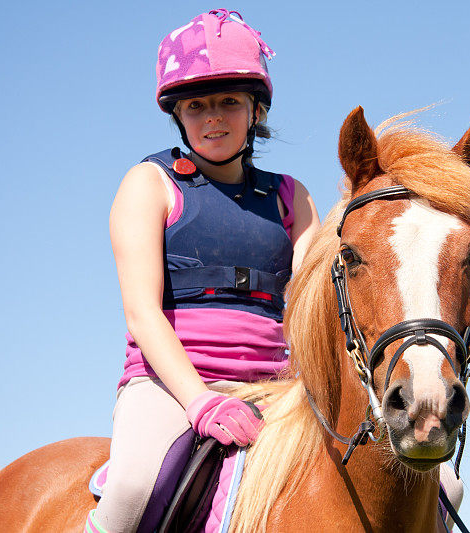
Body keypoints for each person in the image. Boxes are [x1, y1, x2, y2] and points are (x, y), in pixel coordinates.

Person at [85, 9, 320, 533]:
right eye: (196, 106)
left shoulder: (291, 196)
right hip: (169, 387)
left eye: (229, 102)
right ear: (178, 116)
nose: (212, 118)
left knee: (430, 483)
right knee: (131, 490)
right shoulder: (148, 184)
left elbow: (313, 306)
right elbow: (142, 313)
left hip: (276, 387)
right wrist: (200, 400)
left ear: (255, 110)